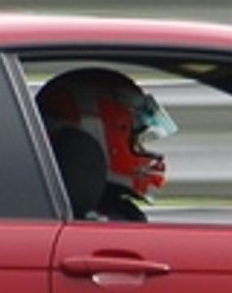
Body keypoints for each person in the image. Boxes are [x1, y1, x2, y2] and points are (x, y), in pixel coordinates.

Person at [35, 67, 174, 221]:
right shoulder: (109, 224)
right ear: (95, 133)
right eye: (134, 140)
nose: (141, 149)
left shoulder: (40, 214)